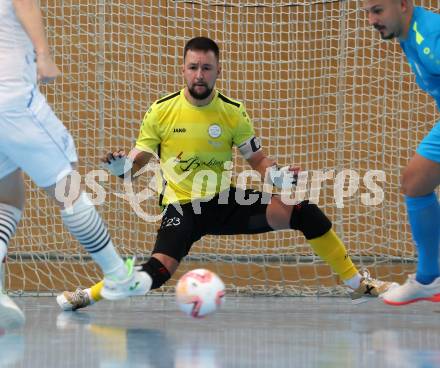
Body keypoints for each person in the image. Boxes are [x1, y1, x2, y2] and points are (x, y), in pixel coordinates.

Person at [57, 36, 397, 311]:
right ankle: (89, 294)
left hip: (226, 200)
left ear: (218, 70)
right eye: (193, 67)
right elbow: (135, 163)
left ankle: (357, 283)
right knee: (157, 272)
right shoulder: (161, 112)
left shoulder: (233, 113)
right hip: (182, 207)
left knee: (305, 212)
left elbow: (258, 161)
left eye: (206, 68)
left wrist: (276, 177)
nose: (199, 75)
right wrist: (121, 169)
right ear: (183, 70)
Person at [0, 0, 150, 330]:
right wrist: (43, 54)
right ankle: (116, 275)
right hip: (11, 100)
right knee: (67, 186)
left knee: (7, 196)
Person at [363, 0, 440, 305]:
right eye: (367, 12)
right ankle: (429, 277)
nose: (371, 20)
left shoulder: (429, 37)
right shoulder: (408, 35)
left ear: (404, 6)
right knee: (415, 183)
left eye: (378, 10)